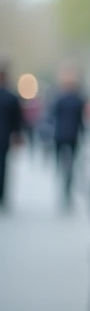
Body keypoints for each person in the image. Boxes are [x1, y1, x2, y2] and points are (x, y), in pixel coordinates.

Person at [49, 65, 88, 209]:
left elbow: (52, 117)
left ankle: (65, 186)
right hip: (72, 135)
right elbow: (81, 120)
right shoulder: (78, 98)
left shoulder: (59, 97)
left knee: (62, 163)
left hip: (60, 135)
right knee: (70, 164)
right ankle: (67, 187)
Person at [0, 62, 24, 209]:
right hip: (4, 137)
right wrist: (17, 135)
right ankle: (2, 194)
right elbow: (17, 120)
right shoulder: (11, 96)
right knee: (3, 167)